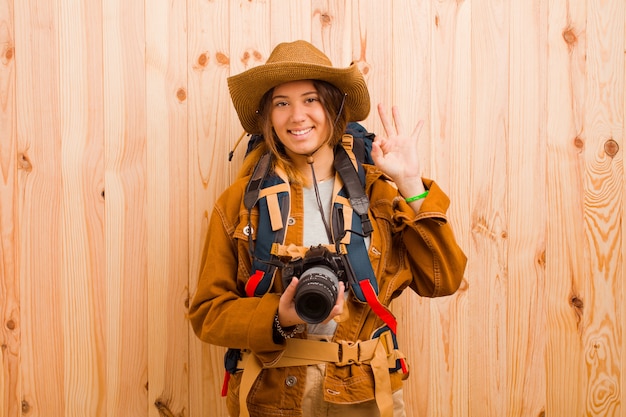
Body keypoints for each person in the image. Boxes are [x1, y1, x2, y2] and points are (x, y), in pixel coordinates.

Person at [189, 40, 467, 417]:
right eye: (281, 103)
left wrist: (411, 183)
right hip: (271, 397)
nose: (296, 116)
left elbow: (442, 280)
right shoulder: (240, 202)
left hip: (366, 394)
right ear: (269, 117)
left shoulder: (378, 192)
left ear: (334, 108)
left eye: (310, 99)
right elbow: (208, 313)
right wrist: (280, 316)